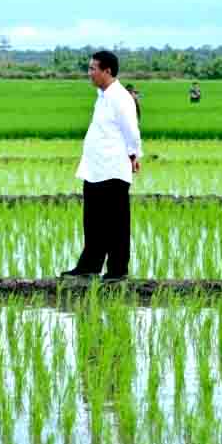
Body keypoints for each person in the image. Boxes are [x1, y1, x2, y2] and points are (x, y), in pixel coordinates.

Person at [60, 51, 142, 283]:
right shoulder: (103, 96)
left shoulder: (120, 98)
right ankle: (89, 266)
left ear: (107, 71)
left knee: (116, 222)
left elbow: (132, 131)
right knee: (93, 221)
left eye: (93, 69)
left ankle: (117, 271)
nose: (89, 73)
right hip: (96, 169)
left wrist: (134, 154)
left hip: (113, 170)